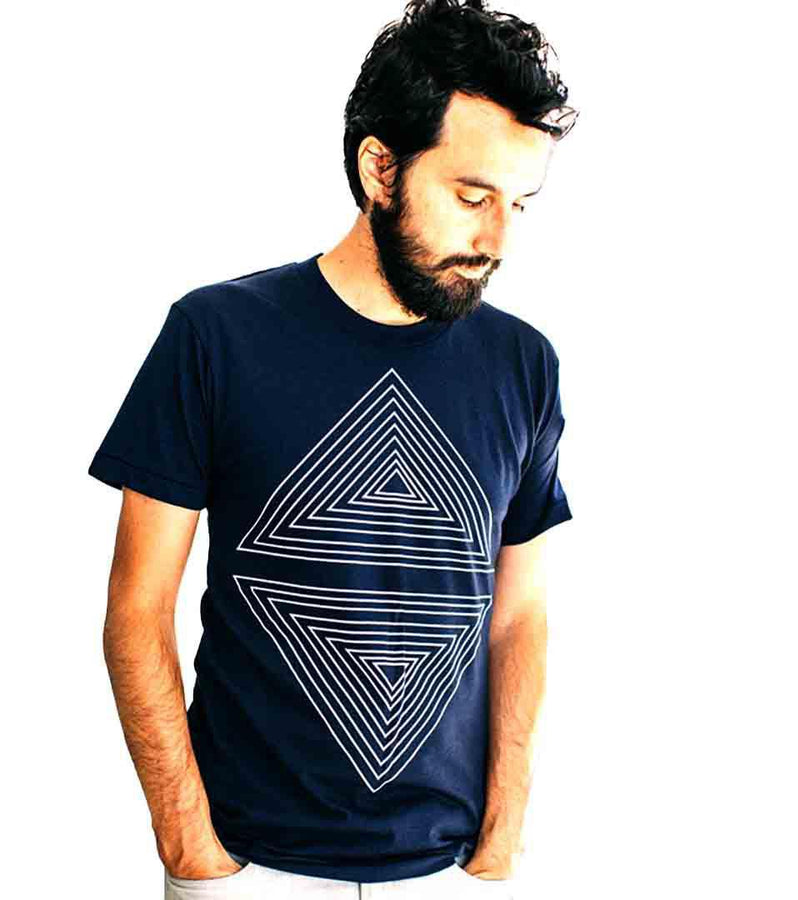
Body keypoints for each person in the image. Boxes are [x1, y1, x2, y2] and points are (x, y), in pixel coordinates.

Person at [88, 1, 578, 896]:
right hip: (249, 866)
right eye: (472, 198)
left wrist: (503, 841)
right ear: (379, 167)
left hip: (449, 871)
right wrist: (191, 851)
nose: (498, 240)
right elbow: (137, 608)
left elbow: (519, 613)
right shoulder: (216, 336)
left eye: (519, 204)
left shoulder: (524, 365)